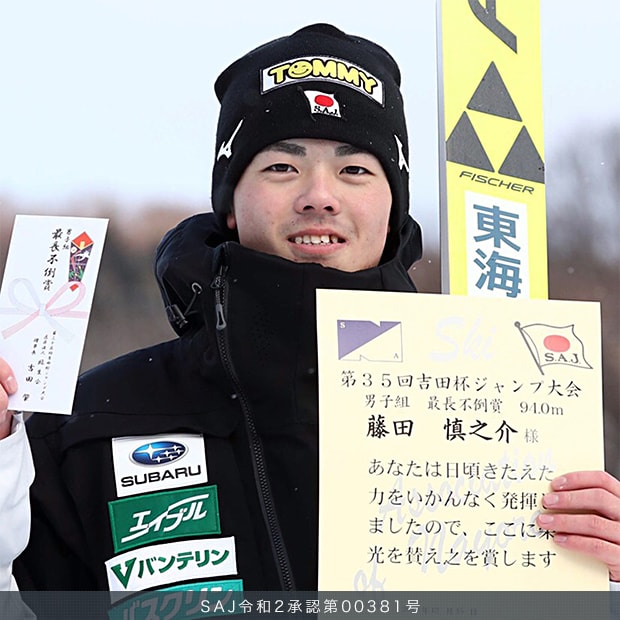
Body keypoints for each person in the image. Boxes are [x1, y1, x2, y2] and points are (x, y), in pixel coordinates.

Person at [1, 22, 620, 593]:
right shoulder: (86, 426)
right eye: (280, 166)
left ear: (393, 207)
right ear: (229, 203)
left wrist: (605, 575)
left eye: (354, 169)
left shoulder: (505, 403)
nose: (319, 197)